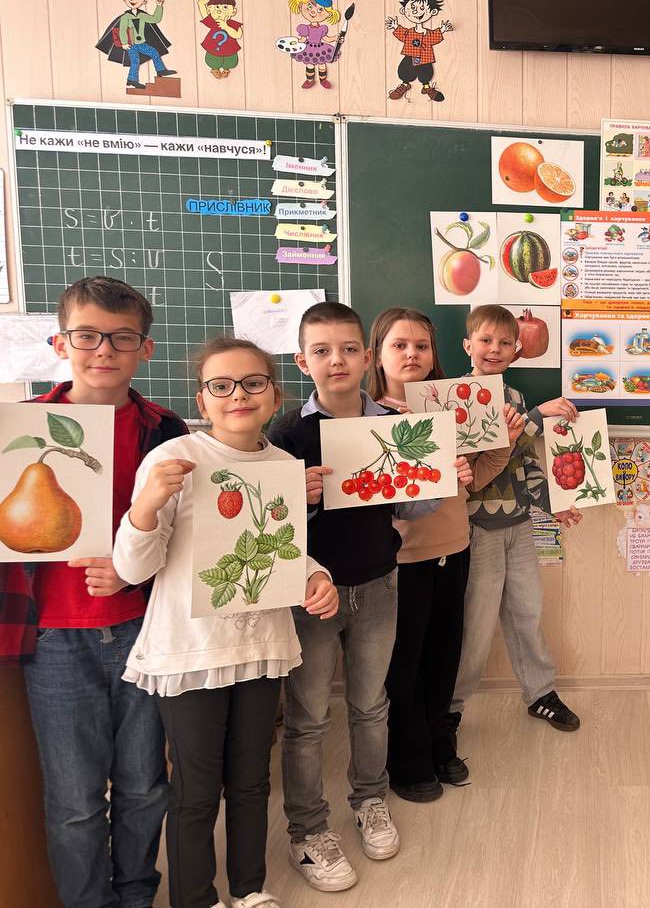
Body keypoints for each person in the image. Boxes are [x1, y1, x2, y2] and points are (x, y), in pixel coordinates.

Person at [114, 336, 339, 908]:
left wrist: (316, 576)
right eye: (221, 385)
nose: (238, 394)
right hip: (194, 650)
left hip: (261, 645)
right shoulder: (174, 459)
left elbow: (279, 549)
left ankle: (249, 889)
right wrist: (145, 507)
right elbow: (133, 568)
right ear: (202, 400)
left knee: (251, 779)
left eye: (253, 383)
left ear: (274, 394)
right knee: (195, 789)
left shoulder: (282, 465)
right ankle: (195, 898)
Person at [268, 302, 469, 892]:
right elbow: (268, 529)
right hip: (312, 596)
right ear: (302, 361)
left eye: (349, 349)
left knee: (370, 704)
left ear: (366, 357)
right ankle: (308, 829)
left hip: (380, 585)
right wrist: (297, 499)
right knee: (308, 718)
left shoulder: (388, 420)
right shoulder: (286, 435)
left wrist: (440, 478)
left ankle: (370, 799)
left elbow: (407, 504)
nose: (337, 360)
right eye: (322, 351)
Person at [0, 279, 186, 908]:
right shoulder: (18, 432)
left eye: (122, 337)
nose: (103, 349)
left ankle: (136, 896)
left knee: (144, 785)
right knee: (75, 801)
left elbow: (185, 536)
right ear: (61, 343)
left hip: (144, 632)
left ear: (146, 349)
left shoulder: (167, 432)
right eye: (87, 336)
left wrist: (133, 572)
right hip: (55, 638)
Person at [366, 308, 518, 803]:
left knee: (444, 654)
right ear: (377, 355)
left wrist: (502, 443)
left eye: (422, 346)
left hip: (454, 548)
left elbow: (477, 477)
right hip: (403, 559)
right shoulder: (368, 417)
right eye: (399, 345)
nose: (412, 354)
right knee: (405, 662)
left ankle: (438, 743)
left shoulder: (451, 409)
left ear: (435, 354)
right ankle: (407, 760)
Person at [451, 306, 584, 741]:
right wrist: (538, 416)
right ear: (468, 346)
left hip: (520, 525)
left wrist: (552, 504)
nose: (495, 349)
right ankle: (450, 707)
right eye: (485, 340)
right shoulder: (457, 399)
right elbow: (490, 449)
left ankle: (539, 692)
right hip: (477, 528)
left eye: (505, 342)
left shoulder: (516, 398)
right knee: (476, 625)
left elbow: (524, 462)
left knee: (527, 611)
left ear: (517, 350)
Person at [95, 0, 179, 91]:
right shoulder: (126, 17)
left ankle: (160, 70)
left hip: (141, 43)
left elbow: (155, 19)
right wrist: (124, 43)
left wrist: (159, 6)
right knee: (135, 61)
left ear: (144, 0)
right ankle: (132, 80)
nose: (133, 0)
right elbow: (122, 30)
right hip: (132, 45)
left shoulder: (142, 15)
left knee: (153, 52)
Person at [385, 0, 453, 101]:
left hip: (425, 58)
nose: (417, 12)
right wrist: (395, 26)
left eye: (422, 8)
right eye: (412, 8)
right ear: (403, 10)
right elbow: (403, 35)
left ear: (433, 12)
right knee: (404, 70)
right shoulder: (409, 33)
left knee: (426, 73)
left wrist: (443, 29)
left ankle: (426, 87)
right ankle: (405, 84)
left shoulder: (428, 34)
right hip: (409, 56)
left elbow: (434, 37)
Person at [287, 0, 342, 90]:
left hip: (320, 48)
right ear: (301, 5)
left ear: (328, 14)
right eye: (310, 6)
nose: (313, 11)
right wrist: (295, 42)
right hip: (308, 48)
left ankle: (323, 80)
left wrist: (335, 37)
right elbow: (303, 38)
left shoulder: (322, 29)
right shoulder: (305, 28)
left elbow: (326, 38)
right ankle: (310, 80)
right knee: (310, 64)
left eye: (320, 10)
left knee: (322, 64)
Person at [196, 0, 243, 78]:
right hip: (213, 50)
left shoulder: (233, 24)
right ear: (209, 10)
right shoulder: (212, 22)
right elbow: (200, 3)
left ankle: (226, 69)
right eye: (216, 7)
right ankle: (214, 68)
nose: (219, 11)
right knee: (212, 59)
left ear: (233, 11)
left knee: (230, 60)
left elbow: (238, 35)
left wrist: (226, 27)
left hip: (230, 49)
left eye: (225, 7)